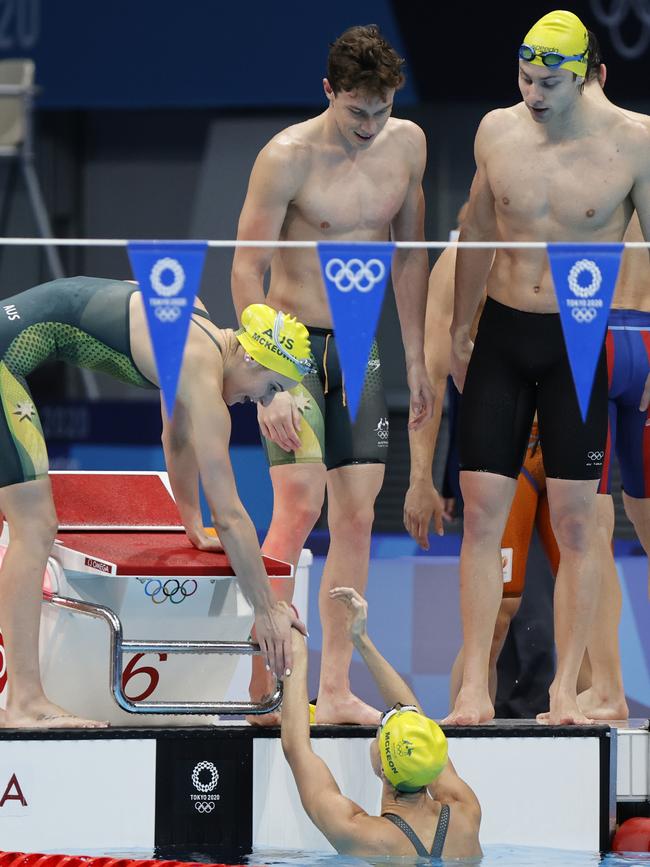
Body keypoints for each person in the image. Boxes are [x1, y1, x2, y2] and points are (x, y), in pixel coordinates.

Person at [447, 10, 650, 726]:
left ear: (590, 74)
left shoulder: (634, 142)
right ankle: (474, 684)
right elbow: (474, 229)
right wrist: (458, 333)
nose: (534, 94)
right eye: (526, 78)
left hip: (580, 340)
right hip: (502, 330)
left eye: (550, 82)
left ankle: (567, 688)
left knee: (578, 522)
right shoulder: (497, 131)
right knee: (480, 516)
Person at [231, 24, 433, 725]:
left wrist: (417, 357)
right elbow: (244, 271)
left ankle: (338, 687)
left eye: (380, 110)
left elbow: (408, 259)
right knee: (297, 508)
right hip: (288, 346)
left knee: (354, 518)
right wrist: (268, 382)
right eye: (356, 111)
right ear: (329, 91)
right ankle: (264, 684)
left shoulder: (407, 146)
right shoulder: (285, 157)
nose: (369, 126)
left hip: (359, 345)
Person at [0, 276, 310, 728]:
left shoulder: (196, 324)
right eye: (268, 386)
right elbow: (230, 513)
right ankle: (24, 700)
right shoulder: (198, 365)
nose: (260, 400)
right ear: (248, 355)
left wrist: (191, 527)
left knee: (31, 521)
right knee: (35, 526)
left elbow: (175, 437)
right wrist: (266, 609)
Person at [404, 232, 561, 710]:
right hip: (506, 448)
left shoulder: (575, 241)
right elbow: (430, 375)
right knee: (497, 617)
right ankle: (462, 735)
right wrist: (420, 477)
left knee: (587, 613)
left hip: (566, 436)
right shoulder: (457, 264)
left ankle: (592, 736)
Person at [281, 586, 481, 860]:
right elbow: (415, 721)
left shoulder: (363, 835)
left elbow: (296, 748)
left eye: (382, 727)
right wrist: (360, 640)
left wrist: (293, 644)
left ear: (383, 768)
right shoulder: (465, 814)